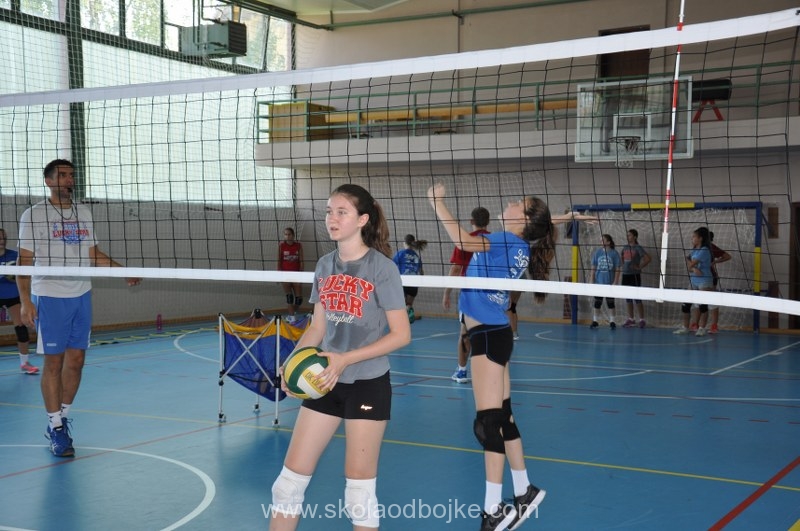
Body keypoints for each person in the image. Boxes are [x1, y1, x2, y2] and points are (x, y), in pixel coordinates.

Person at [269, 184, 411, 531]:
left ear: (362, 219)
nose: (332, 218)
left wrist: (345, 359)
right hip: (324, 381)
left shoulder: (382, 268)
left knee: (359, 496)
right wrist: (292, 362)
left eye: (342, 212)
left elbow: (401, 334)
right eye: (329, 211)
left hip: (367, 384)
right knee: (287, 487)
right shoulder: (324, 265)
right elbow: (317, 328)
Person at [428, 183, 549, 531]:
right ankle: (524, 490)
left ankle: (494, 509)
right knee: (503, 417)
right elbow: (540, 222)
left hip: (487, 335)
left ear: (524, 219)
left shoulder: (507, 240)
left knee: (488, 423)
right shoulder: (518, 243)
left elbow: (465, 242)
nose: (510, 201)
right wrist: (562, 216)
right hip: (494, 333)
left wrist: (437, 203)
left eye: (519, 202)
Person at [17, 159, 141, 458]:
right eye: (62, 175)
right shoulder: (33, 215)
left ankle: (60, 420)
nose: (69, 180)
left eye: (71, 175)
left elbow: (93, 253)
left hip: (81, 293)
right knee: (54, 363)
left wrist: (122, 270)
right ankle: (56, 427)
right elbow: (24, 261)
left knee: (76, 361)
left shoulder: (83, 212)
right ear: (48, 181)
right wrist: (25, 301)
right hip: (50, 295)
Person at [443, 206, 491, 384]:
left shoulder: (465, 241)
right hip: (492, 293)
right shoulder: (495, 240)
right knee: (490, 333)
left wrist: (446, 292)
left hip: (471, 293)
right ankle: (489, 372)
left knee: (465, 333)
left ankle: (462, 371)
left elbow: (456, 269)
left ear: (471, 221)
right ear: (488, 221)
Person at [0, 228, 38, 374]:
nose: (2, 241)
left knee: (22, 329)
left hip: (13, 296)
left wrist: (12, 276)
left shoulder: (15, 256)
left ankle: (25, 363)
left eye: (3, 237)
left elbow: (25, 273)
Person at [673, 227, 714, 336]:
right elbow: (689, 264)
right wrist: (694, 269)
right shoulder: (695, 249)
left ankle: (702, 328)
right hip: (694, 280)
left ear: (700, 238)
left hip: (704, 280)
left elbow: (690, 264)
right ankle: (685, 327)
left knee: (703, 306)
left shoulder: (704, 250)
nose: (692, 238)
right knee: (685, 305)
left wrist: (692, 266)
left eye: (694, 236)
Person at [694, 230, 730, 334]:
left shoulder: (711, 247)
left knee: (711, 301)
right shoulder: (697, 247)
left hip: (710, 277)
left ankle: (713, 326)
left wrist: (715, 262)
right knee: (698, 301)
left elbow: (727, 256)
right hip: (698, 277)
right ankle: (695, 324)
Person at [392, 233, 427, 323]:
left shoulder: (400, 253)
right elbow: (421, 272)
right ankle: (409, 314)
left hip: (403, 281)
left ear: (404, 243)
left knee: (401, 303)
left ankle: (401, 320)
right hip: (414, 282)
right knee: (409, 303)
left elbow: (391, 266)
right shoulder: (416, 256)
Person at [589, 234, 621, 329]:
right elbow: (593, 267)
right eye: (600, 240)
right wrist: (591, 280)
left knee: (610, 303)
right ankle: (595, 321)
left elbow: (618, 269)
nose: (601, 242)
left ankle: (612, 321)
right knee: (597, 303)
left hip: (609, 283)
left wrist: (615, 281)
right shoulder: (598, 252)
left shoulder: (614, 253)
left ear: (608, 242)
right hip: (599, 282)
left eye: (603, 240)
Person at [620, 229, 651, 328]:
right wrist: (623, 265)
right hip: (625, 275)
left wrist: (639, 267)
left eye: (629, 235)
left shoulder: (638, 248)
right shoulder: (625, 247)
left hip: (634, 275)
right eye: (627, 235)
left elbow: (648, 258)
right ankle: (631, 319)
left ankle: (642, 319)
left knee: (637, 297)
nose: (628, 237)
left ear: (635, 237)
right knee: (628, 298)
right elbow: (622, 257)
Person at [277, 227, 304, 323]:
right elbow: (279, 260)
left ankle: (291, 313)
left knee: (299, 299)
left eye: (289, 234)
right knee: (289, 297)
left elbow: (301, 261)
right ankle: (292, 317)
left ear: (293, 235)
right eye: (285, 234)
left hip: (296, 275)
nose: (287, 236)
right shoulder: (281, 245)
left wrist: (301, 274)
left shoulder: (298, 246)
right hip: (285, 274)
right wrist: (278, 274)